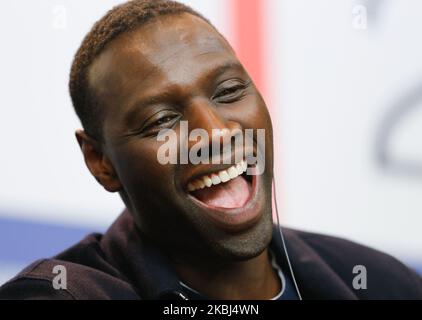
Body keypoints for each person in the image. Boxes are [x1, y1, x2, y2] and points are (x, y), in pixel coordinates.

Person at [1, 0, 421, 300]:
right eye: (162, 120)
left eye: (230, 91)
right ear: (100, 161)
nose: (216, 133)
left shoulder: (379, 281)